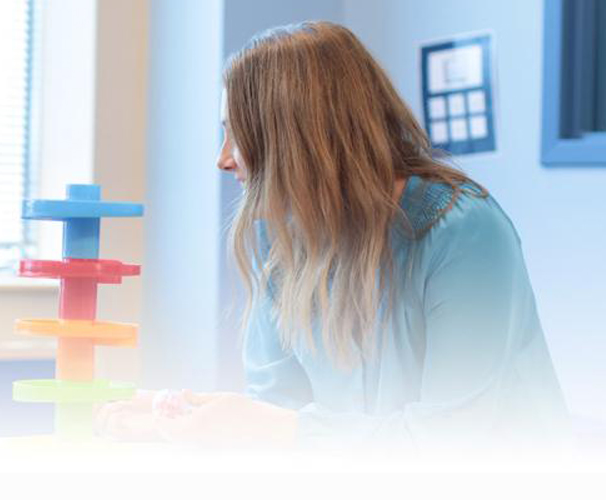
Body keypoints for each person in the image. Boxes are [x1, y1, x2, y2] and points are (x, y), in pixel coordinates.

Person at [97, 21, 569, 453]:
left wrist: (265, 428)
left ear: (299, 137)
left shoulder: (463, 233)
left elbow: (448, 443)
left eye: (239, 135)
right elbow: (276, 406)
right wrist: (183, 421)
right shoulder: (280, 238)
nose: (223, 159)